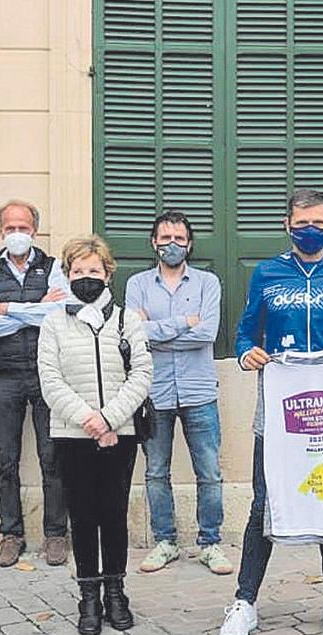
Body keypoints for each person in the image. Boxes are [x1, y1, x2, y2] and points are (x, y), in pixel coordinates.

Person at [217, 188, 323, 635]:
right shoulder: (267, 273)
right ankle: (244, 603)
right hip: (282, 405)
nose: (311, 229)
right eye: (302, 222)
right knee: (263, 502)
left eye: (320, 222)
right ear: (287, 225)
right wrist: (247, 352)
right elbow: (246, 332)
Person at [37, 236, 153, 635]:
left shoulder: (127, 321)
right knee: (83, 516)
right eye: (78, 271)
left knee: (113, 513)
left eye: (94, 271)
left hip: (119, 433)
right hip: (72, 433)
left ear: (107, 274)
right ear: (68, 275)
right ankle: (88, 595)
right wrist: (87, 418)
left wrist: (108, 419)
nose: (86, 278)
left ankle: (116, 592)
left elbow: (141, 374)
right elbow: (50, 381)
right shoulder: (53, 323)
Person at [125, 211, 231, 575]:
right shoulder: (137, 284)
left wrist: (156, 331)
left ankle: (210, 542)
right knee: (156, 471)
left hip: (199, 390)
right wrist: (184, 323)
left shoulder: (207, 283)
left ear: (189, 243)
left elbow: (207, 334)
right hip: (153, 392)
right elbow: (134, 335)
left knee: (210, 471)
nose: (172, 245)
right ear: (153, 242)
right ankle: (165, 541)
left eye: (179, 239)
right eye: (165, 238)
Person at [0, 199, 70, 568]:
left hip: (46, 371)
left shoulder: (53, 266)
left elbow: (59, 313)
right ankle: (10, 534)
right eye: (11, 228)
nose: (17, 233)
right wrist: (35, 308)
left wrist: (9, 307)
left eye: (24, 227)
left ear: (35, 230)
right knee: (5, 459)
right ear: (1, 232)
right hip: (3, 373)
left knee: (53, 457)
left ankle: (56, 534)